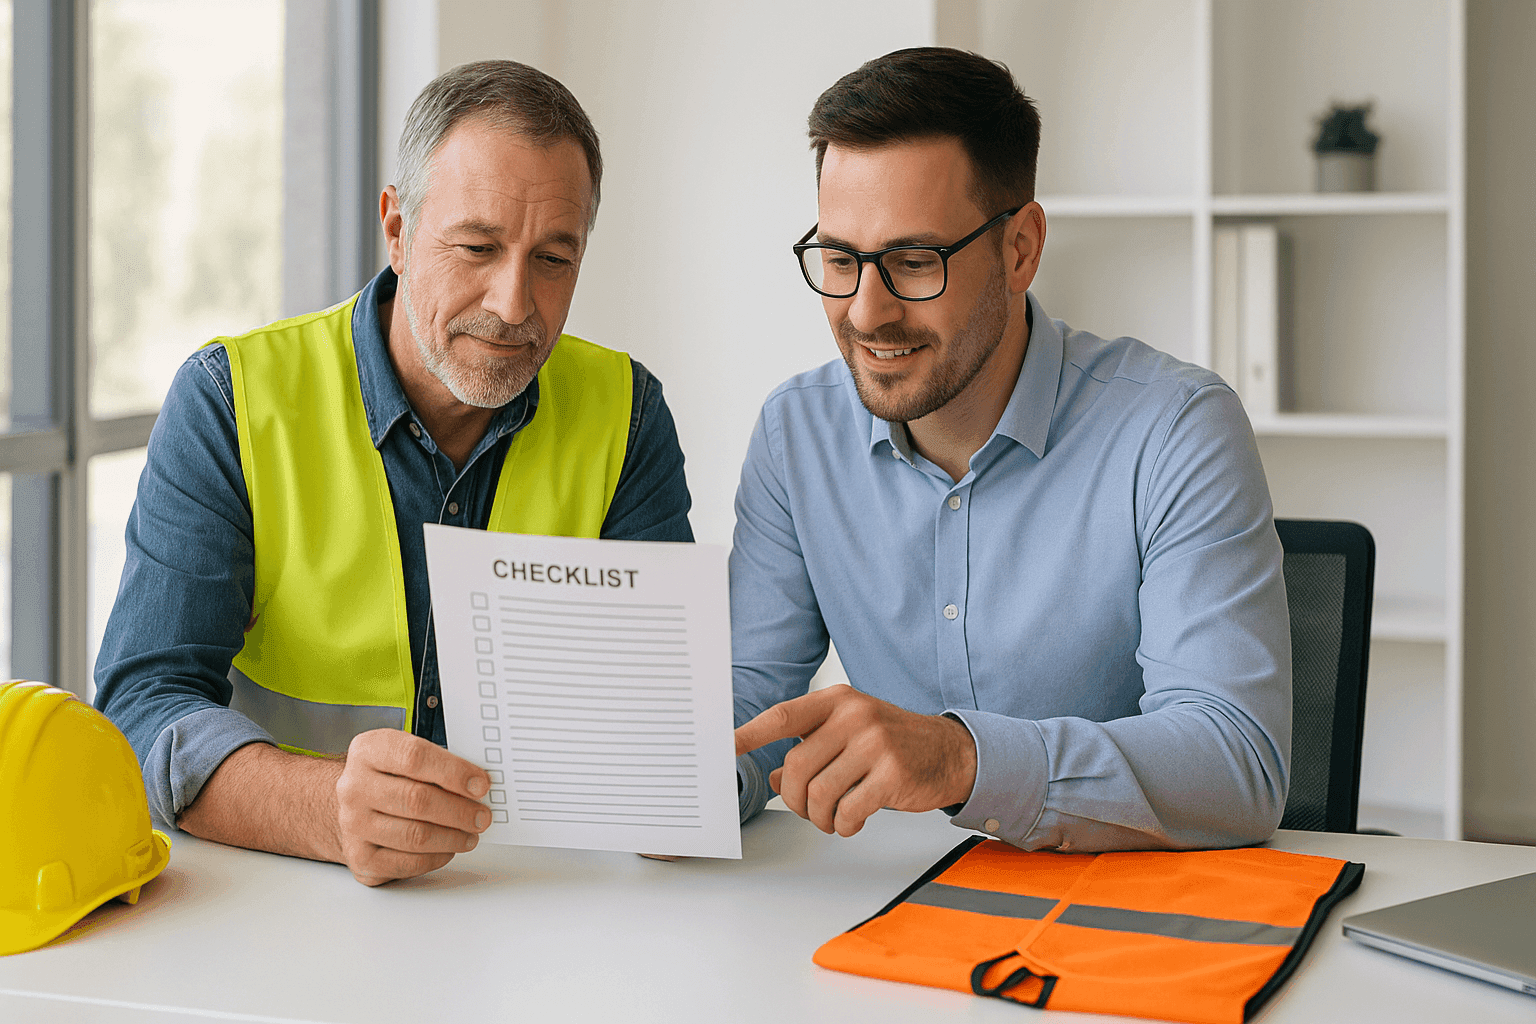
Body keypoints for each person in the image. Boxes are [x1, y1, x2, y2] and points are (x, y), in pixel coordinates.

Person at [95, 61, 693, 886]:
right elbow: (140, 708)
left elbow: (667, 729)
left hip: (545, 912)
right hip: (278, 904)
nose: (515, 303)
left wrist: (688, 784)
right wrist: (325, 806)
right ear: (398, 229)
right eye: (477, 247)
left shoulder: (628, 414)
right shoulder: (231, 401)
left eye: (554, 259)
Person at [731, 48, 1290, 852]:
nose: (866, 311)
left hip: (1121, 914)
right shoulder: (795, 436)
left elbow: (1238, 762)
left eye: (913, 262)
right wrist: (693, 779)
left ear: (1020, 248)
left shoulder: (1175, 428)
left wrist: (963, 761)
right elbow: (755, 705)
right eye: (842, 261)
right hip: (888, 905)